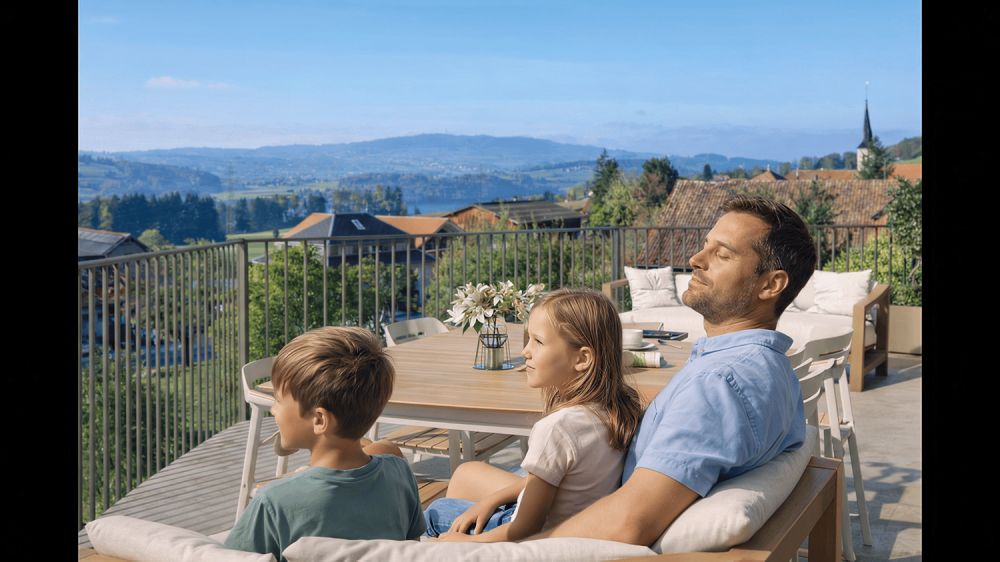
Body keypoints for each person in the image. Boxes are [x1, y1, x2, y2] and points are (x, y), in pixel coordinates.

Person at [445, 195, 815, 546]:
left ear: (771, 285)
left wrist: (500, 550)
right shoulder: (771, 368)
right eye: (705, 245)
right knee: (467, 477)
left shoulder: (716, 386)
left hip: (585, 534)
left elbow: (629, 522)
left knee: (438, 513)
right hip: (595, 494)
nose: (696, 258)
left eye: (722, 254)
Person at [424, 288, 644, 542]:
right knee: (467, 472)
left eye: (538, 341)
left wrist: (466, 543)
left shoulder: (557, 428)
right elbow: (557, 481)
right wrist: (492, 499)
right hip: (574, 518)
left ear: (582, 359)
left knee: (436, 512)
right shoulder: (616, 408)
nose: (526, 351)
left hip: (540, 536)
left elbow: (525, 529)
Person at [224, 327, 426, 561]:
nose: (273, 409)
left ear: (319, 420)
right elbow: (412, 550)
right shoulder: (400, 473)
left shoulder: (274, 504)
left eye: (279, 400)